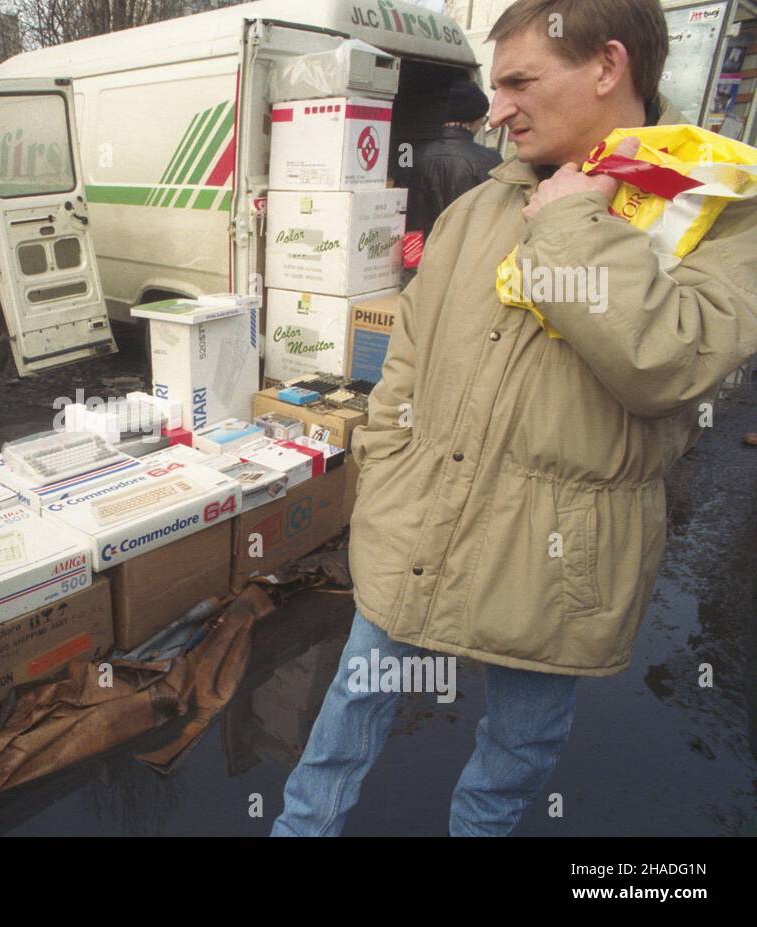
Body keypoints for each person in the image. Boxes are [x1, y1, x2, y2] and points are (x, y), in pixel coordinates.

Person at [274, 0, 757, 837]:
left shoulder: (717, 205)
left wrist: (571, 222)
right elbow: (406, 361)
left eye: (520, 82)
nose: (496, 110)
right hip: (418, 519)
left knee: (513, 759)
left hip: (564, 557)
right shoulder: (482, 206)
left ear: (607, 67)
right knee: (344, 721)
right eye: (496, 87)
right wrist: (383, 469)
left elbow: (670, 362)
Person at [405, 78, 503, 243]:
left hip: (418, 252)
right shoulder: (491, 160)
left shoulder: (411, 156)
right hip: (465, 253)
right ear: (475, 119)